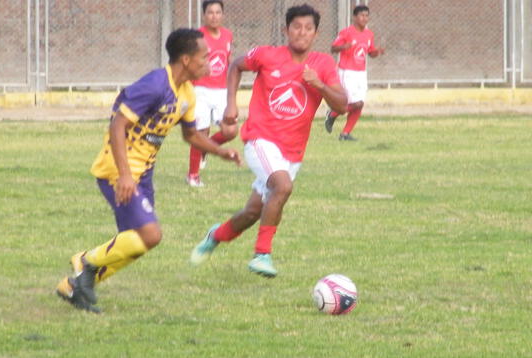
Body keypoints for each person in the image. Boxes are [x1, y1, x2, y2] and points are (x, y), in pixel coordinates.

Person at [56, 28, 242, 313]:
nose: (209, 62)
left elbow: (191, 135)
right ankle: (84, 261)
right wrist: (125, 176)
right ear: (185, 59)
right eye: (204, 57)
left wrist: (220, 151)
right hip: (118, 171)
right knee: (151, 235)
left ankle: (74, 286)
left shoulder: (187, 93)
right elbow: (118, 125)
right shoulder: (156, 84)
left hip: (143, 174)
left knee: (137, 244)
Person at [190, 4, 347, 277]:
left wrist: (319, 85)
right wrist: (231, 105)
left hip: (292, 151)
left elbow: (343, 105)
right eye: (296, 27)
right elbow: (236, 66)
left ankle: (216, 235)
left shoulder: (323, 64)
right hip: (260, 139)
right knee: (282, 187)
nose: (302, 33)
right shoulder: (267, 55)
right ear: (286, 30)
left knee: (253, 211)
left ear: (316, 33)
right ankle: (262, 254)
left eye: (308, 28)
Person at [186, 0, 236, 187]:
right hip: (201, 90)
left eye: (217, 12)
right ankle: (193, 175)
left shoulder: (228, 35)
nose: (214, 16)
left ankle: (205, 149)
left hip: (222, 90)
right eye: (210, 13)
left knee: (230, 131)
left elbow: (228, 62)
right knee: (200, 132)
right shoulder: (197, 36)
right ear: (204, 15)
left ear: (222, 15)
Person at [324, 5, 384, 141]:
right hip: (347, 71)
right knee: (354, 103)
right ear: (355, 17)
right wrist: (343, 47)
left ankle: (345, 134)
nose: (364, 18)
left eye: (366, 16)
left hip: (361, 73)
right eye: (362, 15)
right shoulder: (347, 32)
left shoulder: (369, 34)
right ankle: (332, 114)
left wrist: (376, 52)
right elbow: (333, 48)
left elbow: (370, 52)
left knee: (360, 104)